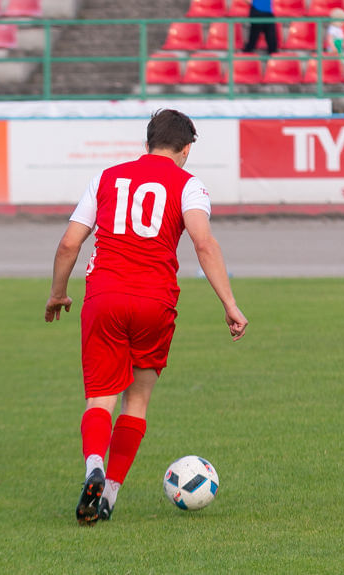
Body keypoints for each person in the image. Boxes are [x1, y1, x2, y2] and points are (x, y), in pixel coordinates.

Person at [45, 109, 248, 525]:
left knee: (100, 396)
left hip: (104, 297)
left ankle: (93, 469)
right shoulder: (189, 185)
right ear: (187, 148)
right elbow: (204, 244)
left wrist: (57, 293)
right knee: (136, 400)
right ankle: (111, 494)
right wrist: (229, 303)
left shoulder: (105, 178)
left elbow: (69, 244)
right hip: (155, 302)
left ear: (148, 142)